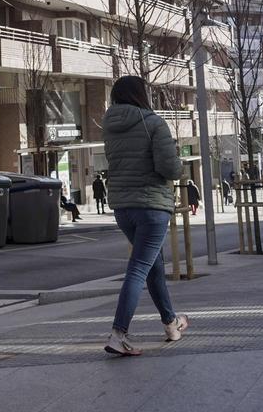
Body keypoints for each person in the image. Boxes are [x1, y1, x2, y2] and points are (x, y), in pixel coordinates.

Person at [101, 75, 187, 357]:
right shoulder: (154, 123)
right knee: (139, 268)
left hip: (123, 208)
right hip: (151, 206)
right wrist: (179, 165)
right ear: (141, 95)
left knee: (153, 266)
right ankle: (118, 334)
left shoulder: (109, 126)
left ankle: (171, 324)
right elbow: (169, 169)